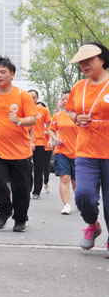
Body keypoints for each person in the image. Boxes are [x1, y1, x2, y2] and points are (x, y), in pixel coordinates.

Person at [0, 57, 37, 232]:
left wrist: (19, 121)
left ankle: (20, 219)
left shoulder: (22, 95)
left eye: (3, 72)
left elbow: (33, 119)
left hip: (20, 152)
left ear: (12, 74)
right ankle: (4, 209)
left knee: (21, 189)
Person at [65, 43, 109, 253]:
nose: (84, 65)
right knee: (83, 194)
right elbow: (70, 111)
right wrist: (76, 117)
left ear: (102, 59)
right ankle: (92, 225)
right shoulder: (79, 87)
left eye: (88, 60)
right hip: (85, 151)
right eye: (81, 62)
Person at [48, 91, 77, 215]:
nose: (65, 101)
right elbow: (50, 129)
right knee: (65, 178)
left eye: (68, 99)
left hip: (79, 152)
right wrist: (55, 139)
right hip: (61, 151)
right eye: (63, 99)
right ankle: (67, 205)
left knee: (76, 181)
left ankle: (80, 201)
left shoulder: (79, 115)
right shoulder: (58, 115)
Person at [28, 90, 52, 199]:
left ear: (37, 98)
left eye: (33, 97)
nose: (32, 99)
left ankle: (36, 191)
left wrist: (50, 138)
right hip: (25, 143)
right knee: (26, 168)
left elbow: (50, 126)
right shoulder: (22, 110)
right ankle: (27, 188)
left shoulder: (43, 110)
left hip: (39, 143)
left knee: (38, 168)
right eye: (29, 97)